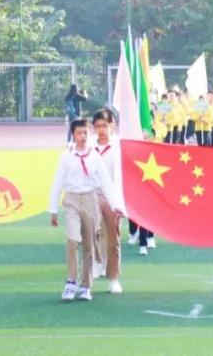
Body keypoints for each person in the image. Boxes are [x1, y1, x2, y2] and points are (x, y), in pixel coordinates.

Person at [49, 119, 123, 301]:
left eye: (85, 133)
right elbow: (58, 182)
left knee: (89, 244)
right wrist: (53, 209)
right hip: (72, 199)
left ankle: (85, 285)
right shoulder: (66, 157)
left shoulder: (94, 157)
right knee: (72, 240)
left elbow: (105, 182)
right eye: (79, 133)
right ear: (73, 135)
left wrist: (115, 205)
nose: (83, 136)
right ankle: (71, 280)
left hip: (90, 199)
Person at [87, 111, 125, 293]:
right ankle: (97, 264)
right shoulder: (88, 145)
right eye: (97, 126)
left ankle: (114, 278)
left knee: (113, 238)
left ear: (113, 126)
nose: (101, 130)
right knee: (91, 233)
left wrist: (121, 202)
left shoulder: (119, 146)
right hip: (92, 195)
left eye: (104, 126)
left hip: (113, 197)